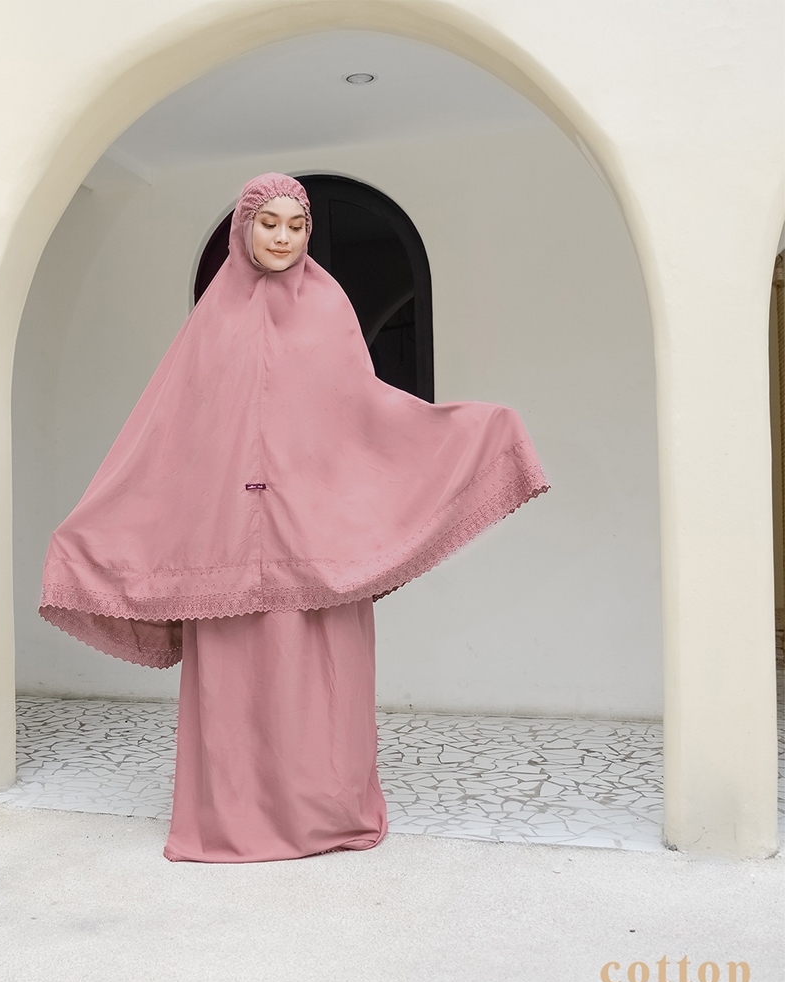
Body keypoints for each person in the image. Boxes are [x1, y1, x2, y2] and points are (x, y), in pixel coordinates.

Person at [39, 173, 548, 863]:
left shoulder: (329, 307)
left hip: (313, 534)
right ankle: (232, 821)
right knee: (237, 691)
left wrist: (471, 433)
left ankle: (326, 817)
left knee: (321, 686)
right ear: (243, 228)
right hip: (227, 540)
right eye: (269, 223)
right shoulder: (212, 320)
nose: (283, 237)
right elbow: (171, 431)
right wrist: (109, 521)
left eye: (296, 225)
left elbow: (361, 414)